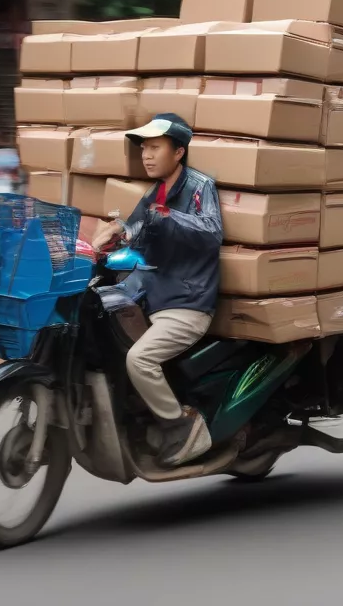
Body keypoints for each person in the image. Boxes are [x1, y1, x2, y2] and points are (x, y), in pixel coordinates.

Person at [92, 113, 222, 469]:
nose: (146, 155)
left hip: (187, 303)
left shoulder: (198, 186)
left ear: (178, 151)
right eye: (143, 148)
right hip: (152, 297)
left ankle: (183, 423)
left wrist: (165, 217)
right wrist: (111, 236)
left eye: (154, 147)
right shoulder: (153, 193)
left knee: (140, 359)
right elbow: (135, 232)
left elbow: (211, 232)